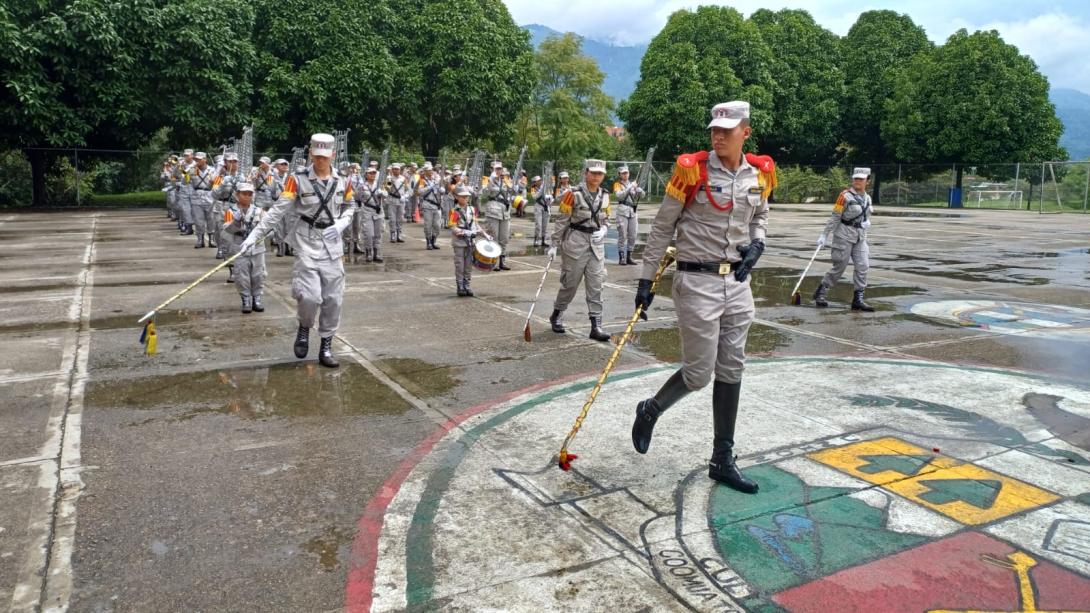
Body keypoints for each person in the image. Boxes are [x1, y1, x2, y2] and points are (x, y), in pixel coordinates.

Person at [631, 101, 776, 494]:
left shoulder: (759, 173)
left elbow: (760, 217)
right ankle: (651, 408)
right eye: (714, 128)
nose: (718, 135)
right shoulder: (691, 170)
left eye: (727, 130)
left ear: (745, 132)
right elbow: (662, 228)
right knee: (698, 373)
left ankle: (722, 459)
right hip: (697, 283)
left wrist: (758, 245)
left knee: (732, 369)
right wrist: (646, 282)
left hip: (737, 283)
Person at [238, 133, 356, 368]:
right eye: (317, 156)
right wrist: (254, 235)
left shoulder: (343, 180)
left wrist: (342, 222)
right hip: (306, 242)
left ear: (333, 155)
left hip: (332, 245)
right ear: (311, 153)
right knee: (309, 295)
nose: (321, 160)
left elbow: (350, 205)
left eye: (325, 156)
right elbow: (277, 210)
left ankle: (326, 344)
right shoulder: (297, 179)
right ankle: (304, 327)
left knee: (333, 299)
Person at [547, 159, 611, 342]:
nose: (597, 176)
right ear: (586, 173)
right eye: (593, 173)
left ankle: (596, 326)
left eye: (600, 173)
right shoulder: (572, 194)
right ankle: (557, 314)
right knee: (570, 284)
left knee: (596, 285)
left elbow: (607, 218)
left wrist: (605, 229)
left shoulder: (605, 195)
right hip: (575, 244)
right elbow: (562, 220)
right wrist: (553, 245)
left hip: (596, 246)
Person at [813, 168, 875, 311]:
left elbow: (865, 215)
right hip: (843, 235)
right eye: (855, 179)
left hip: (860, 237)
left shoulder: (868, 198)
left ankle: (858, 299)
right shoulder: (844, 196)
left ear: (868, 181)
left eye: (861, 179)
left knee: (863, 266)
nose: (857, 181)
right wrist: (824, 234)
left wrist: (866, 223)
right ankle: (821, 292)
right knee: (839, 266)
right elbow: (835, 216)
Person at [221, 182, 267, 313]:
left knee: (258, 274)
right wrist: (236, 222)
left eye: (250, 194)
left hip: (257, 247)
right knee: (242, 275)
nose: (247, 197)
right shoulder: (230, 211)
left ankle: (257, 298)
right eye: (244, 194)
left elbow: (268, 228)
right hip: (239, 245)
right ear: (237, 195)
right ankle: (245, 299)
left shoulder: (259, 211)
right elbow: (226, 230)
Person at [449, 185, 483, 296]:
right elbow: (452, 226)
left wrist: (484, 233)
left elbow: (476, 224)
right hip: (459, 241)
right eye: (462, 196)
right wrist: (462, 232)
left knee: (468, 265)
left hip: (470, 242)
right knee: (460, 265)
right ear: (457, 197)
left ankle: (467, 285)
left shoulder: (473, 210)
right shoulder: (454, 211)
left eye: (466, 196)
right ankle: (460, 286)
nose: (465, 198)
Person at [482, 163, 513, 271]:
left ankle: (502, 261)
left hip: (505, 212)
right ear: (492, 169)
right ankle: (493, 262)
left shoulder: (505, 180)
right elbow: (485, 194)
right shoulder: (487, 179)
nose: (498, 171)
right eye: (496, 169)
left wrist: (511, 184)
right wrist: (490, 181)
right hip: (493, 211)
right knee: (494, 237)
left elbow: (513, 191)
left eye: (500, 169)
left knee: (504, 238)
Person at [613, 165, 645, 266]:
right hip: (622, 211)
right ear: (619, 174)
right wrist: (630, 187)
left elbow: (642, 195)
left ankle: (629, 257)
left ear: (629, 173)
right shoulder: (617, 184)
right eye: (623, 173)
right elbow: (619, 196)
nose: (625, 174)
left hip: (633, 211)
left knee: (633, 235)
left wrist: (639, 190)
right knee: (623, 235)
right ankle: (621, 258)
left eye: (626, 173)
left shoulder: (633, 184)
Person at [354, 167, 386, 262]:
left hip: (378, 211)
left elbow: (386, 194)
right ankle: (369, 252)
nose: (372, 175)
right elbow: (357, 197)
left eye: (374, 173)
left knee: (377, 233)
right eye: (370, 173)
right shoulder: (362, 186)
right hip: (367, 211)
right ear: (366, 175)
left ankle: (376, 253)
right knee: (368, 233)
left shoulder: (379, 185)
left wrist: (382, 193)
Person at [187, 152, 216, 249]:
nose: (197, 161)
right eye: (196, 159)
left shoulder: (212, 170)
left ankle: (212, 239)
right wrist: (187, 171)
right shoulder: (193, 169)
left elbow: (217, 183)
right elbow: (185, 181)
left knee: (211, 218)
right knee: (198, 219)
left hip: (209, 195)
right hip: (197, 196)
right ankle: (200, 239)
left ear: (205, 159)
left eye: (199, 159)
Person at [418, 164, 445, 250]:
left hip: (437, 205)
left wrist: (442, 190)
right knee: (428, 225)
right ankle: (428, 242)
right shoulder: (422, 180)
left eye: (431, 170)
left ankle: (433, 241)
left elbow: (442, 189)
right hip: (427, 205)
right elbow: (420, 192)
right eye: (428, 170)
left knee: (437, 226)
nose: (431, 171)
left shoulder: (436, 179)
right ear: (425, 171)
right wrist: (429, 187)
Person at [385, 164, 409, 243]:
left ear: (400, 170)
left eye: (397, 169)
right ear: (392, 170)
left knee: (400, 218)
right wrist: (389, 181)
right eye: (394, 169)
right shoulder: (389, 178)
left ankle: (399, 234)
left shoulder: (403, 178)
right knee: (392, 219)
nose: (396, 170)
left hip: (401, 201)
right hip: (392, 200)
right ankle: (393, 234)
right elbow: (388, 189)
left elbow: (407, 189)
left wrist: (405, 196)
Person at [530, 175, 553, 247]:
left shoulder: (546, 188)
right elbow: (535, 196)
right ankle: (536, 240)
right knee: (538, 225)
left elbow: (551, 196)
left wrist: (550, 200)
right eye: (538, 181)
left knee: (545, 225)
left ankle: (544, 240)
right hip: (538, 207)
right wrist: (542, 189)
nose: (540, 182)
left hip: (546, 206)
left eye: (540, 180)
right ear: (535, 182)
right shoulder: (533, 189)